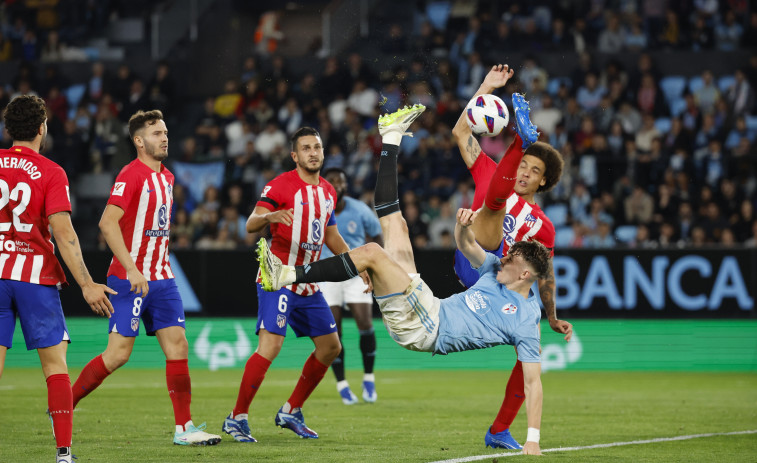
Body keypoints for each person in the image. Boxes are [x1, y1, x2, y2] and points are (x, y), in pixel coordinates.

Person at [257, 104, 548, 455]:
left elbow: (532, 382)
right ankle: (391, 138)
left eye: (512, 258)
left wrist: (533, 438)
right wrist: (461, 223)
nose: (504, 256)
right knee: (395, 223)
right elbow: (466, 244)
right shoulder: (495, 270)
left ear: (526, 274)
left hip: (425, 328)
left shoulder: (526, 318)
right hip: (427, 304)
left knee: (372, 253)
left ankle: (286, 273)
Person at [69, 110, 221, 446]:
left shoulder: (167, 178)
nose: (164, 137)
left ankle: (184, 428)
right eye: (155, 133)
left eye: (165, 132)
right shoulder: (131, 174)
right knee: (118, 355)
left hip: (163, 279)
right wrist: (134, 267)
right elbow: (107, 224)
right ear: (139, 141)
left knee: (178, 345)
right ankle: (65, 405)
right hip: (129, 277)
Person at [451, 64, 573, 450]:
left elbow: (545, 273)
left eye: (533, 171)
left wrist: (551, 315)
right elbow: (460, 131)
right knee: (494, 201)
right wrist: (486, 87)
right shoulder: (490, 170)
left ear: (544, 182)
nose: (524, 173)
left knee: (528, 357)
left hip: (506, 285)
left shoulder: (544, 228)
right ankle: (520, 137)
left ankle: (500, 429)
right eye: (521, 164)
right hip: (476, 259)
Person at [222, 127, 357, 443]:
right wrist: (272, 216)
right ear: (295, 156)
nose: (313, 153)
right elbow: (250, 224)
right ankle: (236, 418)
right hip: (278, 276)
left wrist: (356, 265)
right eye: (306, 148)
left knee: (331, 347)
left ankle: (291, 410)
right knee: (271, 346)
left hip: (307, 282)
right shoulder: (280, 185)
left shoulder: (328, 192)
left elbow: (332, 236)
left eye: (317, 147)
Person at [0, 95, 115, 463]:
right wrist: (86, 283)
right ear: (41, 129)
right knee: (55, 366)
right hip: (35, 276)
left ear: (7, 130)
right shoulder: (51, 172)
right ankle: (64, 454)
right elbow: (64, 233)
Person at [320, 167, 383, 405]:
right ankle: (342, 384)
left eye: (341, 181)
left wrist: (375, 264)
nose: (337, 184)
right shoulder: (320, 210)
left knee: (365, 323)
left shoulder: (359, 209)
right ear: (326, 184)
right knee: (334, 333)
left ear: (346, 185)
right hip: (326, 275)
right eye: (332, 180)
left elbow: (377, 236)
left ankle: (368, 378)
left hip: (356, 272)